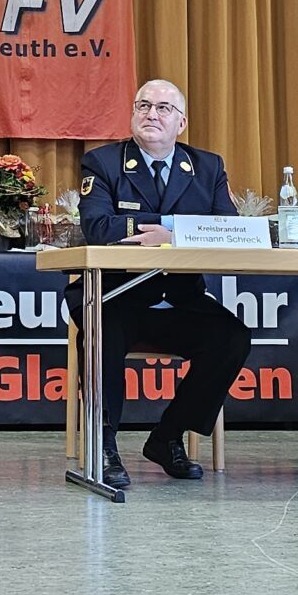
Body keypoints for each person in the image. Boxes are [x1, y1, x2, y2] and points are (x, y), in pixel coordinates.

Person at [73, 79, 255, 488]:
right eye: (143, 105)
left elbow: (227, 228)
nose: (151, 114)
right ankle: (104, 446)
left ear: (181, 123)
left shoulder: (207, 166)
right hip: (117, 296)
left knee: (232, 337)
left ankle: (168, 437)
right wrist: (175, 226)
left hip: (180, 298)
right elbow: (98, 226)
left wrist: (170, 233)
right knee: (103, 332)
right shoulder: (102, 162)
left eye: (163, 108)